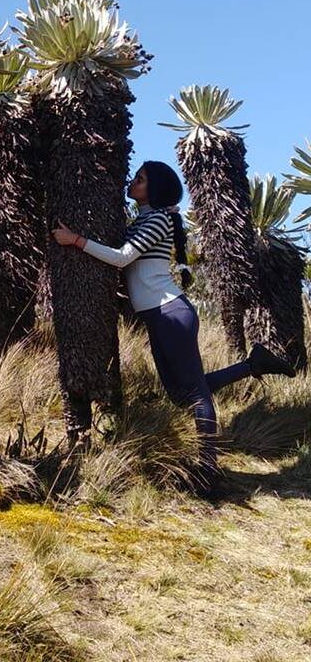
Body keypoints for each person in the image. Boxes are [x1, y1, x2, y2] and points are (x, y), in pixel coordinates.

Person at [51, 160, 296, 497]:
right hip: (160, 315)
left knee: (195, 396)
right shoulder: (146, 220)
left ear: (155, 189)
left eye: (140, 179)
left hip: (170, 313)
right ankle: (255, 365)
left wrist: (75, 240)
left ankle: (208, 471)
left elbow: (123, 257)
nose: (133, 182)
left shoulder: (157, 220)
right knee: (182, 393)